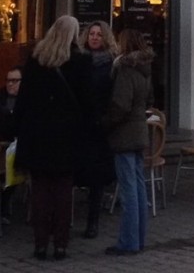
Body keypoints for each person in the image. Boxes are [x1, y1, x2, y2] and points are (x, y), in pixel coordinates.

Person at [14, 15, 92, 261]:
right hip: (67, 136)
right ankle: (60, 243)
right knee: (62, 191)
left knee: (40, 190)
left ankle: (40, 243)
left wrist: (20, 129)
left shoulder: (36, 60)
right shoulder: (80, 61)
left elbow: (23, 100)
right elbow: (87, 102)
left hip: (38, 135)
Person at [103, 28, 154, 257]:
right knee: (139, 186)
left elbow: (120, 105)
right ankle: (139, 238)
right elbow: (148, 101)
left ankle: (128, 242)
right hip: (139, 132)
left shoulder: (125, 68)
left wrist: (106, 122)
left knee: (128, 188)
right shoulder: (145, 69)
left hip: (124, 133)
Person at [76, 21, 117, 239]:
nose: (94, 37)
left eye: (98, 35)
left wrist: (106, 119)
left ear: (105, 38)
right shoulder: (78, 60)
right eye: (91, 34)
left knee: (96, 176)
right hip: (80, 122)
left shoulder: (111, 63)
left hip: (99, 125)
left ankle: (93, 221)